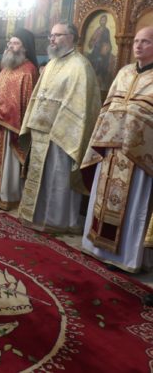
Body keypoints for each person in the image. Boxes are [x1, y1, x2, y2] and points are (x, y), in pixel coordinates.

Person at [81, 26, 153, 276]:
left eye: (145, 42)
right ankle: (96, 247)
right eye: (136, 41)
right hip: (111, 150)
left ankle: (125, 256)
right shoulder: (124, 72)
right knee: (103, 200)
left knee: (134, 206)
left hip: (140, 157)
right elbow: (108, 107)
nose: (138, 46)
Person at [19, 22, 101, 233]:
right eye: (51, 35)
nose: (52, 39)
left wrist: (59, 127)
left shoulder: (80, 66)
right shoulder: (52, 64)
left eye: (57, 35)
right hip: (41, 132)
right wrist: (33, 121)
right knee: (42, 176)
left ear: (71, 37)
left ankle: (58, 220)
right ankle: (36, 215)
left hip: (63, 134)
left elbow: (80, 105)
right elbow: (38, 96)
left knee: (58, 177)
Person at [0, 29, 39, 209]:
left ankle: (6, 195)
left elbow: (27, 102)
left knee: (8, 161)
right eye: (10, 43)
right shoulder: (5, 68)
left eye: (16, 43)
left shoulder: (29, 70)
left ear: (25, 48)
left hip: (12, 127)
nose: (11, 46)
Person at [87, 14, 113, 91]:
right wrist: (92, 42)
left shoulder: (106, 30)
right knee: (90, 61)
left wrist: (104, 47)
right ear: (100, 21)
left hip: (102, 51)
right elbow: (92, 39)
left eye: (104, 20)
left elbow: (107, 41)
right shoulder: (97, 29)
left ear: (106, 21)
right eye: (102, 20)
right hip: (95, 50)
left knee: (100, 63)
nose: (103, 21)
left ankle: (100, 83)